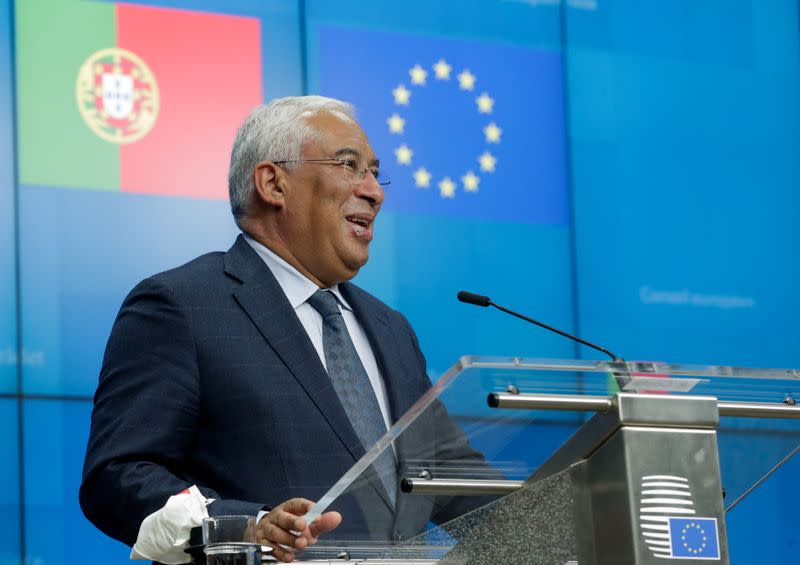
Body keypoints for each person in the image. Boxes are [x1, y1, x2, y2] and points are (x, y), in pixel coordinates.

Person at [80, 96, 488, 564]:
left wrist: (578, 501)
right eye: (350, 165)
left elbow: (456, 482)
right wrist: (246, 526)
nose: (375, 191)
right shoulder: (181, 307)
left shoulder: (390, 328)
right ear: (273, 183)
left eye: (376, 172)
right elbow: (118, 476)